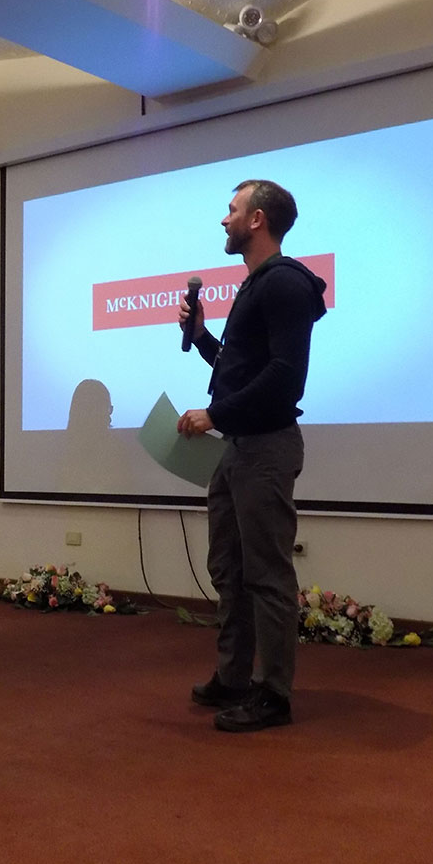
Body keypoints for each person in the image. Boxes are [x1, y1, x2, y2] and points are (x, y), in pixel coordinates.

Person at [177, 180, 327, 732]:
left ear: (258, 219)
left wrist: (214, 414)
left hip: (265, 447)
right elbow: (240, 370)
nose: (225, 219)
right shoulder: (255, 285)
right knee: (230, 569)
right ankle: (233, 676)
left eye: (232, 210)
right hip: (238, 448)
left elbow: (285, 378)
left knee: (266, 575)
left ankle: (274, 694)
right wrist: (203, 336)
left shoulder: (283, 283)